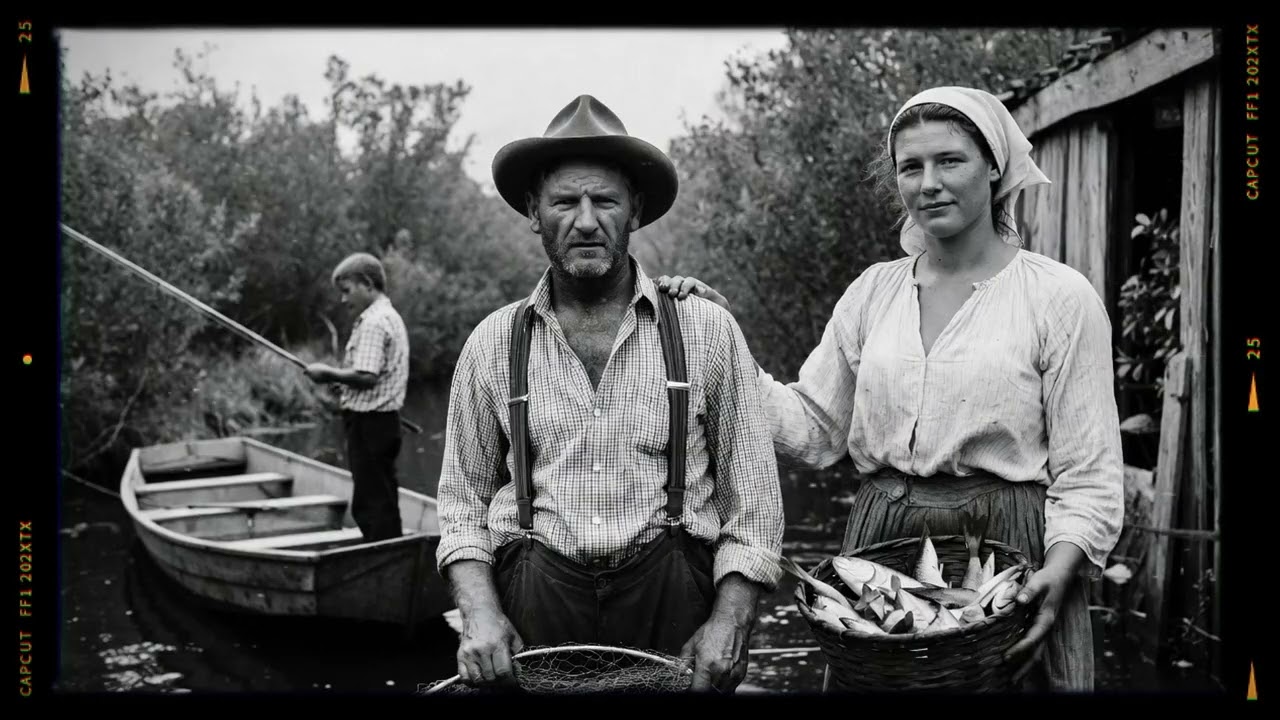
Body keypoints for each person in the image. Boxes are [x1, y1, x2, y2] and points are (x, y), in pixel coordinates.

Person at [657, 86, 1124, 692]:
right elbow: (815, 429)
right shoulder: (873, 292)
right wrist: (720, 339)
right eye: (911, 167)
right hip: (883, 543)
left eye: (949, 161)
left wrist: (1058, 573)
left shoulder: (1058, 298)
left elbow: (1089, 475)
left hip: (1007, 553)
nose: (929, 183)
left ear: (994, 167)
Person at [434, 95, 785, 694]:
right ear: (534, 211)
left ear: (635, 211)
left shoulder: (707, 330)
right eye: (564, 202)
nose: (586, 221)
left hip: (675, 620)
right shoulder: (492, 342)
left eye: (605, 201)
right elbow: (462, 507)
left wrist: (730, 621)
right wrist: (480, 613)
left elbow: (753, 509)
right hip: (534, 619)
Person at [304, 252, 411, 542]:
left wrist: (328, 373)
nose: (343, 299)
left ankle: (382, 554)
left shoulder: (374, 322)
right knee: (381, 496)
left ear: (367, 284)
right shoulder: (389, 316)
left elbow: (367, 376)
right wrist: (344, 383)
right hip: (383, 422)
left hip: (370, 424)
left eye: (347, 290)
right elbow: (374, 376)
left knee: (370, 501)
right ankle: (390, 550)